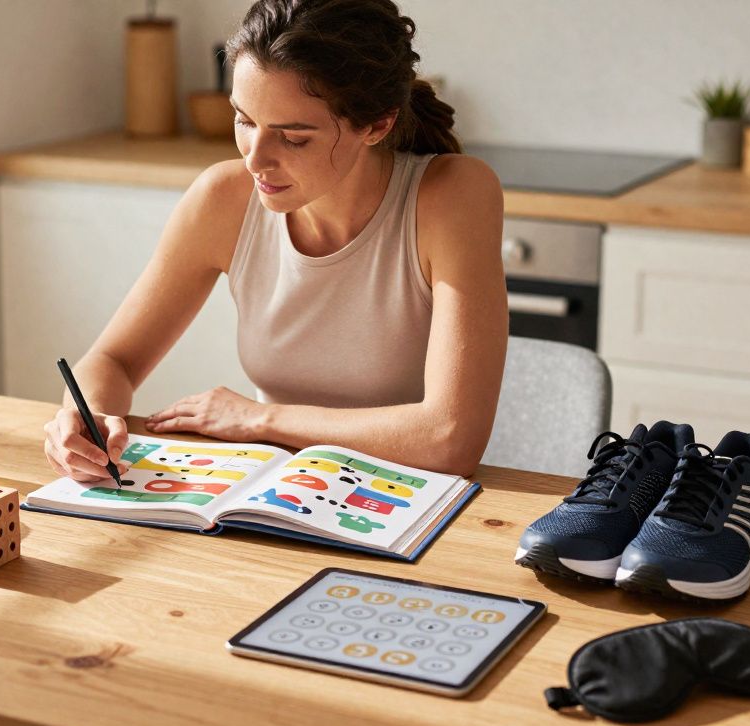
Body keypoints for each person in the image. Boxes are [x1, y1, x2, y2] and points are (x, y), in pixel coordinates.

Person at [44, 0, 507, 482]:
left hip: (412, 501)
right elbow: (114, 360)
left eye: (293, 137)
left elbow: (450, 438)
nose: (255, 160)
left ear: (376, 125)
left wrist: (260, 419)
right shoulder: (222, 200)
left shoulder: (452, 195)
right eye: (244, 121)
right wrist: (86, 420)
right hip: (278, 493)